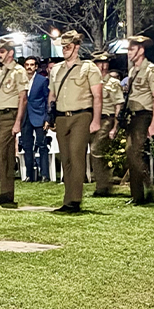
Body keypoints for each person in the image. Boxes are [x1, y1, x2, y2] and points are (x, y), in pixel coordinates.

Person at [47, 31, 101, 212]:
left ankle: (74, 200)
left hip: (81, 115)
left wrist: (96, 120)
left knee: (77, 157)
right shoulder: (56, 69)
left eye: (68, 46)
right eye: (63, 47)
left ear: (76, 47)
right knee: (66, 159)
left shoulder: (89, 67)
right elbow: (52, 95)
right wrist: (50, 116)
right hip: (62, 116)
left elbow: (97, 96)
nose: (64, 50)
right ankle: (67, 199)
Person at [0, 37, 28, 206]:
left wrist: (18, 121)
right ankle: (6, 193)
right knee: (6, 155)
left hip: (11, 115)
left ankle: (5, 192)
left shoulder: (18, 71)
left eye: (2, 52)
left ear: (10, 53)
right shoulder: (2, 72)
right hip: (1, 115)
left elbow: (23, 98)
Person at [122, 36, 154, 203]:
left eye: (132, 49)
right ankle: (137, 194)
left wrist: (153, 124)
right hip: (132, 115)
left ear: (141, 50)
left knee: (134, 153)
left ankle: (145, 188)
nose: (129, 53)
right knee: (131, 153)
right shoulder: (133, 71)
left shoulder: (151, 70)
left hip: (143, 115)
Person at [89, 51, 124, 196]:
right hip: (92, 119)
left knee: (96, 151)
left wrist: (115, 126)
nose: (103, 66)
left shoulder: (113, 83)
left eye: (105, 63)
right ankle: (102, 183)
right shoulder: (91, 81)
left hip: (107, 119)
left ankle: (103, 186)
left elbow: (118, 105)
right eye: (99, 63)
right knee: (96, 152)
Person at [21, 56, 50, 182]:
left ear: (36, 67)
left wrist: (47, 118)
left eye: (32, 64)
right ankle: (29, 175)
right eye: (27, 64)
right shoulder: (20, 80)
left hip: (39, 115)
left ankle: (45, 174)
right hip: (24, 116)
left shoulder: (42, 80)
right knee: (27, 146)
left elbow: (47, 100)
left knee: (42, 145)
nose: (29, 67)